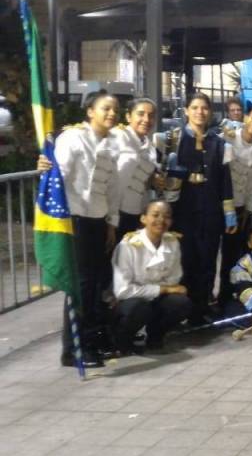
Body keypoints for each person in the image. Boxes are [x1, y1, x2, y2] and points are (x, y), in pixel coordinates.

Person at [40, 91, 122, 367]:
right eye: (105, 108)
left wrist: (111, 223)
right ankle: (74, 349)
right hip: (75, 219)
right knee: (81, 286)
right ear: (90, 111)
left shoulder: (112, 143)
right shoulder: (72, 138)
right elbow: (57, 176)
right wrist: (43, 167)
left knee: (95, 284)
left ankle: (89, 341)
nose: (111, 114)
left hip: (98, 220)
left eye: (114, 109)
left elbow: (112, 189)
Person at [161, 93, 237, 324]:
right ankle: (180, 312)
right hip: (183, 211)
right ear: (186, 110)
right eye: (194, 107)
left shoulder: (219, 143)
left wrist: (229, 214)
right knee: (184, 261)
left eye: (204, 108)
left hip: (211, 211)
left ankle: (200, 311)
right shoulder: (173, 138)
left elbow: (225, 180)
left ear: (210, 112)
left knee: (207, 260)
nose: (199, 112)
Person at [111, 200, 191, 355]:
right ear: (143, 218)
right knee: (138, 308)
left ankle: (155, 336)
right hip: (128, 301)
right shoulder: (128, 245)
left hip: (153, 297)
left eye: (166, 216)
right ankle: (122, 341)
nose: (161, 220)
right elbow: (122, 291)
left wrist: (161, 290)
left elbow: (174, 279)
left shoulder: (172, 242)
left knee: (180, 303)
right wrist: (162, 289)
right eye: (155, 215)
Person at [219, 108, 252, 308]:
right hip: (220, 203)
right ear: (247, 118)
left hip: (240, 207)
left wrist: (248, 211)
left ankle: (227, 296)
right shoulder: (228, 138)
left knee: (231, 254)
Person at [111, 98, 159, 241]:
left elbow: (143, 182)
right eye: (141, 114)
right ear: (128, 116)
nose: (146, 119)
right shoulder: (116, 137)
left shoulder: (150, 148)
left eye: (151, 116)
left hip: (135, 212)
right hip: (111, 212)